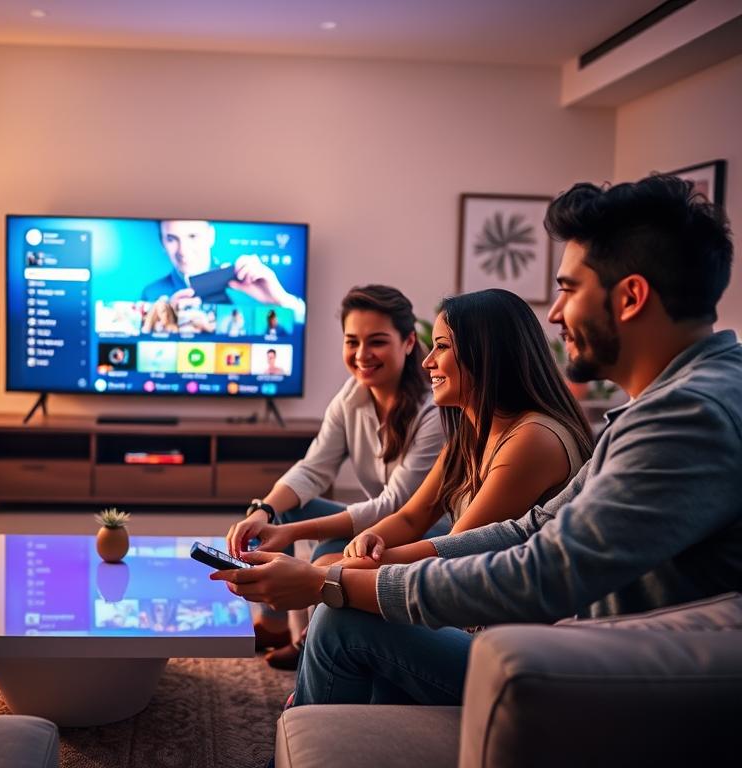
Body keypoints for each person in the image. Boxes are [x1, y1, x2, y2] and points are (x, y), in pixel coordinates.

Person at [213, 175, 741, 709]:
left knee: (342, 617)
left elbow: (540, 575)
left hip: (606, 681)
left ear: (630, 297)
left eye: (568, 289)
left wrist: (332, 583)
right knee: (343, 596)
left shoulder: (688, 416)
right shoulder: (662, 408)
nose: (554, 315)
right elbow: (529, 528)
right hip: (585, 653)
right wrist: (344, 568)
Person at [225, 284, 445, 668]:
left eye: (376, 341)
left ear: (409, 342)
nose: (362, 355)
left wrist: (292, 532)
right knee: (294, 507)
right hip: (379, 522)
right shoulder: (353, 395)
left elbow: (396, 506)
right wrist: (262, 511)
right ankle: (279, 628)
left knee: (305, 530)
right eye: (352, 341)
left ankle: (312, 643)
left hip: (426, 530)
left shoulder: (432, 412)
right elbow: (313, 468)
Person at [334, 288, 593, 573]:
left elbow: (457, 548)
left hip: (504, 609)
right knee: (331, 564)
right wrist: (373, 538)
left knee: (333, 579)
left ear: (485, 353)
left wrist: (336, 570)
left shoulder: (534, 439)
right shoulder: (469, 436)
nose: (427, 361)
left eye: (441, 347)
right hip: (468, 592)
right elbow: (411, 518)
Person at [141, 220, 306, 321]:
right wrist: (167, 323)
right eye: (171, 239)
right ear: (162, 242)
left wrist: (282, 301)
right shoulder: (150, 294)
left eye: (193, 237)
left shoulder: (250, 283)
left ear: (210, 236)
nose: (183, 251)